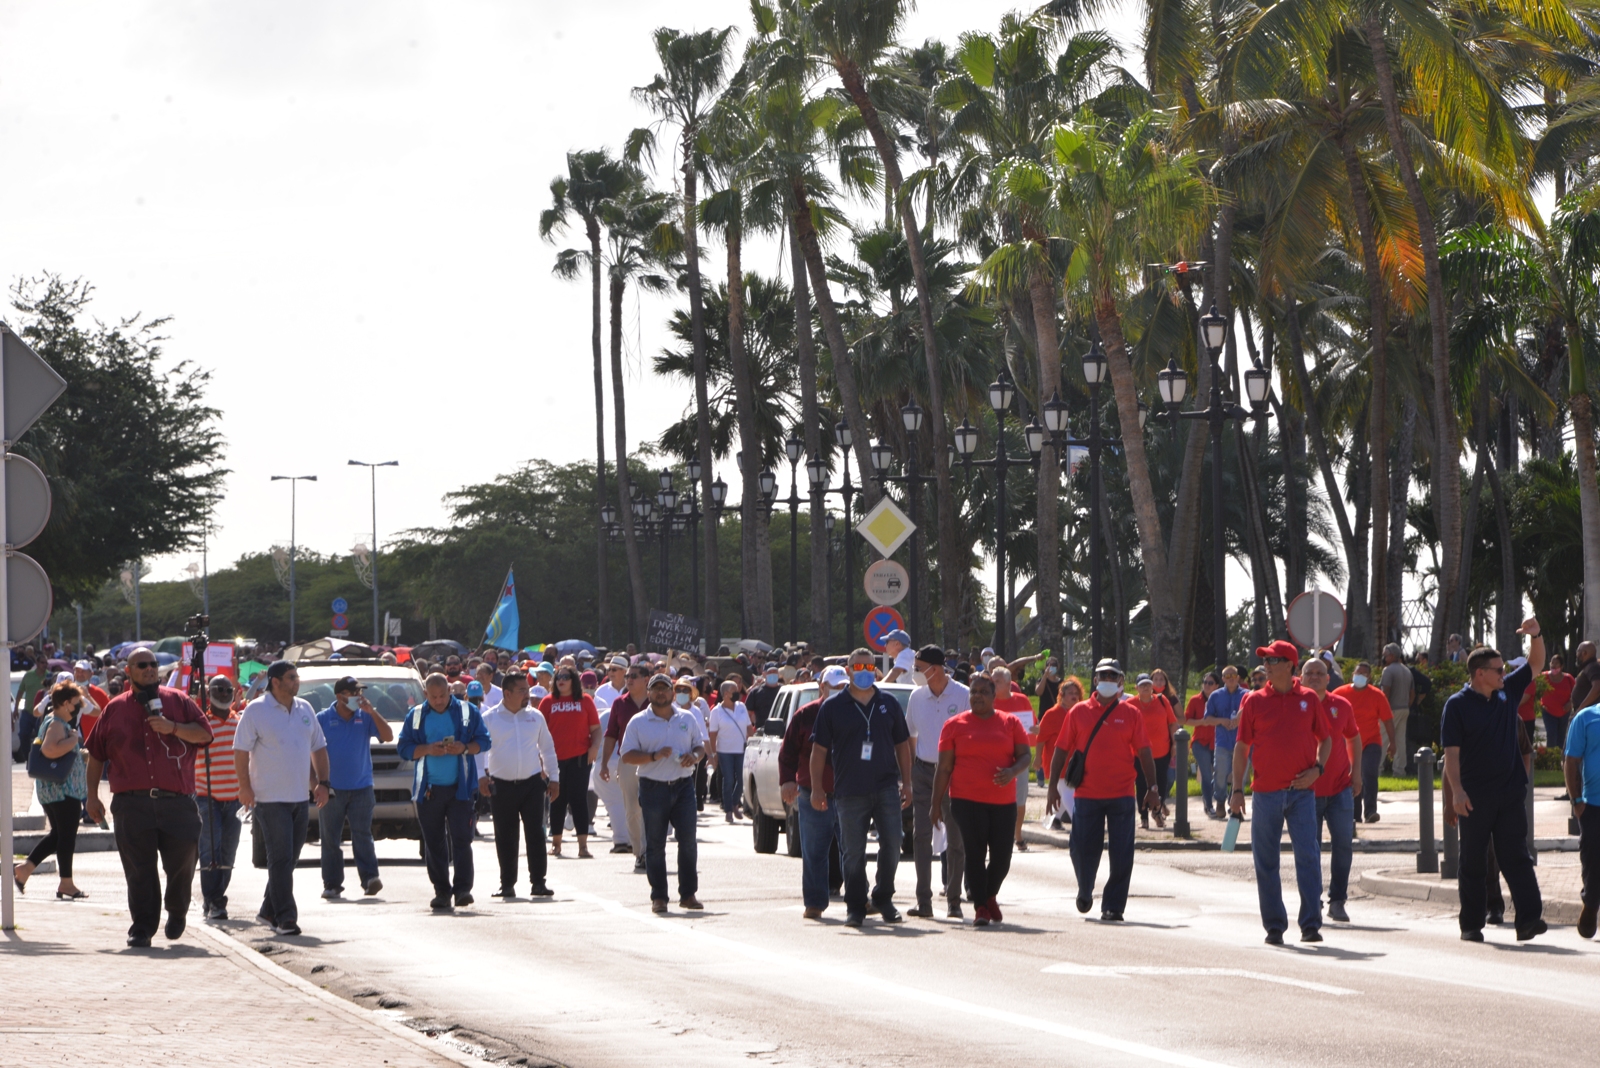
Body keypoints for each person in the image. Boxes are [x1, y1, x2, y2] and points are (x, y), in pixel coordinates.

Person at [85, 649, 211, 947]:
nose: (150, 669)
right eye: (143, 665)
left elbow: (204, 735)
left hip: (177, 801)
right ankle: (142, 927)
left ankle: (177, 910)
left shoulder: (178, 701)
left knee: (182, 863)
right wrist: (91, 796)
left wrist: (173, 727)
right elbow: (96, 756)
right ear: (128, 671)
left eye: (154, 664)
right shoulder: (114, 709)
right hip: (132, 803)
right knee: (139, 869)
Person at [1442, 621, 1547, 942]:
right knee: (1472, 861)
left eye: (1504, 670)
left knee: (1516, 856)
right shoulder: (1457, 706)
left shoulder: (1507, 692)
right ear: (1479, 674)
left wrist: (1536, 635)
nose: (1504, 674)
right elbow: (1451, 755)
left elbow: (1536, 664)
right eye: (1498, 670)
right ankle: (1471, 924)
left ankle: (1528, 920)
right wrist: (1456, 793)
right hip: (1474, 797)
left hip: (1509, 795)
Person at [1229, 640, 1333, 945]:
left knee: (1308, 857)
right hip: (1265, 793)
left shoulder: (1310, 700)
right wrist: (1236, 790)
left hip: (1302, 794)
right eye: (1265, 661)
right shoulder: (1254, 701)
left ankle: (1311, 924)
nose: (1266, 666)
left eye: (1272, 660)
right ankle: (1275, 926)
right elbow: (1241, 748)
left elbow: (1325, 740)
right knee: (1266, 860)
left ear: (1289, 665)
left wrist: (1318, 769)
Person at [1046, 659, 1162, 921]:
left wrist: (1152, 787)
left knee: (1122, 853)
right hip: (1086, 794)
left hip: (1122, 794)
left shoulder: (1132, 714)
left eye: (1113, 675)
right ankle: (1085, 888)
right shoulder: (1078, 712)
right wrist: (1052, 786)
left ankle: (1113, 906)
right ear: (1095, 680)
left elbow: (1144, 752)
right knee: (1081, 848)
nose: (1107, 679)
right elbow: (1061, 749)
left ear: (1120, 681)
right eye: (1102, 675)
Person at [810, 647, 913, 927]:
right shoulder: (832, 707)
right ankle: (856, 905)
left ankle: (883, 897)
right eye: (859, 667)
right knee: (852, 851)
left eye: (870, 668)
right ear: (849, 670)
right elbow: (819, 751)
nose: (865, 673)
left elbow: (902, 745)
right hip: (849, 791)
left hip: (886, 788)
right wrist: (818, 788)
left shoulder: (889, 703)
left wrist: (908, 782)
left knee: (893, 843)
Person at [235, 661, 331, 937]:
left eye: (297, 676)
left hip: (300, 798)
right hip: (269, 798)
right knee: (279, 858)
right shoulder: (256, 710)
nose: (296, 681)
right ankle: (285, 918)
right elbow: (240, 751)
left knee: (289, 859)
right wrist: (245, 787)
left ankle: (268, 909)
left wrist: (323, 783)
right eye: (291, 677)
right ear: (275, 681)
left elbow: (319, 748)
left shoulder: (305, 709)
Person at [931, 673, 1032, 927]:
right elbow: (943, 768)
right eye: (973, 692)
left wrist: (1012, 771)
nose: (977, 696)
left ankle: (988, 894)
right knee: (974, 854)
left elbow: (1025, 756)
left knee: (1002, 858)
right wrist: (935, 804)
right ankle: (980, 908)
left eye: (983, 692)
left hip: (1003, 802)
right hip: (966, 800)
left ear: (993, 696)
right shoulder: (954, 725)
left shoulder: (1010, 723)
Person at [397, 673, 493, 911]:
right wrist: (427, 749)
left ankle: (462, 890)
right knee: (434, 842)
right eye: (433, 697)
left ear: (450, 691)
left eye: (442, 696)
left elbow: (485, 741)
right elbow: (404, 748)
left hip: (460, 790)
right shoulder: (417, 714)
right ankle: (441, 891)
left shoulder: (467, 711)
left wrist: (465, 747)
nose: (438, 701)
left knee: (462, 839)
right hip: (428, 791)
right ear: (425, 694)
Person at [619, 673, 708, 914]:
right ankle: (659, 896)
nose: (661, 693)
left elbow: (699, 746)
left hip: (683, 786)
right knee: (656, 845)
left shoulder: (687, 718)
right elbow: (627, 755)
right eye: (656, 689)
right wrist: (652, 756)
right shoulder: (638, 722)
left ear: (672, 693)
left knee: (688, 842)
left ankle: (688, 894)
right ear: (648, 694)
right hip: (653, 787)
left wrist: (695, 756)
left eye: (665, 689)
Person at [904, 646, 970, 919]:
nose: (915, 673)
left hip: (955, 774)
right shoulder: (916, 697)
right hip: (923, 773)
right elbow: (910, 736)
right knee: (921, 836)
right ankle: (924, 902)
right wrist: (909, 774)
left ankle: (954, 900)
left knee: (956, 838)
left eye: (919, 667)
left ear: (937, 667)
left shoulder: (964, 695)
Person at [481, 670, 560, 898]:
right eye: (522, 690)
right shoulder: (490, 718)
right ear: (506, 693)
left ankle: (538, 882)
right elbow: (479, 752)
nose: (528, 694)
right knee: (505, 835)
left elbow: (547, 749)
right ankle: (507, 884)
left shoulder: (535, 717)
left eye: (527, 689)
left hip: (532, 784)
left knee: (535, 833)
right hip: (501, 785)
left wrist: (554, 778)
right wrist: (481, 776)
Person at [316, 676, 393, 900]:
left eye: (360, 692)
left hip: (361, 786)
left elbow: (387, 736)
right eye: (354, 693)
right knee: (330, 838)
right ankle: (332, 884)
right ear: (340, 696)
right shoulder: (322, 718)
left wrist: (373, 712)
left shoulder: (365, 716)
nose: (359, 697)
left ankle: (370, 878)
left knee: (362, 834)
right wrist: (317, 784)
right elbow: (311, 751)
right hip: (331, 789)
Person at [780, 666, 846, 920]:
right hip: (812, 792)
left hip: (849, 794)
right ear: (822, 687)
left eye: (843, 687)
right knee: (814, 850)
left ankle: (858, 900)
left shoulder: (856, 714)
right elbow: (787, 753)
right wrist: (787, 781)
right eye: (834, 687)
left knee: (852, 850)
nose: (839, 692)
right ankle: (815, 902)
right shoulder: (805, 715)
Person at [15, 682, 90, 899]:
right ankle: (66, 883)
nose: (79, 708)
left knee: (59, 834)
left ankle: (25, 869)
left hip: (54, 790)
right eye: (76, 704)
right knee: (66, 837)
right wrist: (73, 740)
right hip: (62, 791)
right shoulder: (57, 724)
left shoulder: (54, 722)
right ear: (66, 704)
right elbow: (49, 750)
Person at [1301, 657, 1360, 922]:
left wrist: (1356, 773)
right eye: (1309, 672)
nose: (1314, 676)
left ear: (1328, 678)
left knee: (1343, 846)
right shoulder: (1295, 705)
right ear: (1301, 678)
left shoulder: (1341, 705)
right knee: (1310, 848)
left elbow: (1354, 738)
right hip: (1307, 791)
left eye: (1319, 672)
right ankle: (1313, 901)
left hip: (1340, 789)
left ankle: (1338, 900)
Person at [539, 667, 602, 858]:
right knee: (557, 800)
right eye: (558, 677)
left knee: (579, 800)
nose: (561, 680)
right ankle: (556, 844)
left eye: (566, 677)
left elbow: (596, 730)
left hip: (580, 758)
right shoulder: (548, 701)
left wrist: (594, 747)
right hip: (554, 759)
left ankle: (583, 846)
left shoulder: (585, 700)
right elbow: (539, 732)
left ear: (574, 680)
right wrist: (540, 759)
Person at [195, 674, 243, 920]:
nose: (223, 694)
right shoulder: (201, 723)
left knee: (228, 853)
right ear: (209, 692)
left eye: (227, 690)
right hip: (206, 797)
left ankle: (214, 897)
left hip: (235, 799)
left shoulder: (242, 723)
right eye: (218, 689)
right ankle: (215, 900)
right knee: (209, 852)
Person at [600, 665, 651, 873]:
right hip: (628, 762)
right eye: (628, 676)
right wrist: (604, 763)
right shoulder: (619, 704)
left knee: (652, 809)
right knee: (632, 810)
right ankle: (640, 853)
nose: (629, 679)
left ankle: (651, 851)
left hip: (654, 762)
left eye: (634, 676)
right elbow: (611, 734)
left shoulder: (656, 701)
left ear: (646, 679)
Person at [1334, 662, 1394, 823]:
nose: (1360, 676)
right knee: (1353, 776)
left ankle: (1370, 811)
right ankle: (1354, 814)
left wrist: (1392, 743)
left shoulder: (1377, 695)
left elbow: (1388, 720)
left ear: (1369, 678)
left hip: (1371, 742)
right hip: (1348, 744)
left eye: (1364, 674)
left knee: (1369, 773)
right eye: (1358, 672)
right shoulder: (1340, 693)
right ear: (1353, 674)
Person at [1563, 693, 1600, 939]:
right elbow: (1571, 761)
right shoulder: (1586, 718)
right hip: (1593, 804)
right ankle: (1591, 902)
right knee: (1593, 859)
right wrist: (1576, 801)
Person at [989, 667, 1036, 850]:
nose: (993, 684)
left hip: (1019, 758)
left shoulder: (1022, 700)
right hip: (994, 758)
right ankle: (995, 836)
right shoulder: (988, 702)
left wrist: (1035, 730)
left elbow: (1033, 725)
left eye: (998, 681)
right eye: (992, 680)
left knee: (1020, 799)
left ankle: (1018, 835)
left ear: (1009, 684)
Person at [1199, 665, 1246, 818]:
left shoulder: (1247, 695)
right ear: (1223, 678)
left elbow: (1255, 713)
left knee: (1241, 775)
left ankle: (1235, 805)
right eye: (1227, 676)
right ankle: (1220, 800)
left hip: (1243, 742)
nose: (1231, 678)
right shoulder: (1215, 696)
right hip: (1222, 742)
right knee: (1220, 774)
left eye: (1234, 675)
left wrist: (1241, 719)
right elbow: (1207, 719)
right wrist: (1222, 721)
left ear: (1238, 677)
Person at [1132, 673, 1177, 830]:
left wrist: (1174, 744)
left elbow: (1172, 723)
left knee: (1161, 783)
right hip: (1139, 753)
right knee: (1142, 784)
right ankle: (1144, 817)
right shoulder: (1130, 704)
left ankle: (1157, 811)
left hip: (1162, 751)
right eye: (1142, 684)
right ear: (1136, 688)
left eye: (1148, 684)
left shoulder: (1162, 700)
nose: (1146, 687)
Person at [1037, 675, 1083, 829]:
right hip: (1057, 762)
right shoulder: (1052, 714)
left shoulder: (1080, 712)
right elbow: (1040, 738)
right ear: (1061, 695)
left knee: (1064, 794)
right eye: (1070, 692)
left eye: (1076, 692)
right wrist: (1037, 759)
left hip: (1075, 762)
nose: (1074, 695)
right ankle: (1081, 825)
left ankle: (1051, 821)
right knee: (1069, 795)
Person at [708, 681, 752, 823]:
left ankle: (734, 804)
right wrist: (713, 754)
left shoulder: (742, 707)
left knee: (741, 779)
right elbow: (712, 734)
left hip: (740, 750)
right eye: (734, 690)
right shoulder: (716, 711)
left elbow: (749, 727)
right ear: (726, 694)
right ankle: (728, 810)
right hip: (724, 751)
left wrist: (751, 743)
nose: (737, 692)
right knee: (729, 780)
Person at [1184, 672, 1220, 818]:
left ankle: (1219, 801)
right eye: (1205, 682)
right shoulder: (1195, 700)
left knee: (1219, 775)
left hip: (1218, 742)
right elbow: (1186, 720)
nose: (1207, 685)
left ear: (1217, 685)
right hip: (1200, 742)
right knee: (1206, 774)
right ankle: (1209, 805)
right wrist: (1202, 722)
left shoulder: (1221, 699)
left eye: (1210, 683)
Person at [1379, 644, 1413, 775]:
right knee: (1400, 741)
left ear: (1391, 655)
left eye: (1385, 655)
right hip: (1404, 709)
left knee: (1382, 739)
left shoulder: (1388, 671)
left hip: (1391, 709)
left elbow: (1385, 692)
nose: (1384, 657)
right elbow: (1413, 693)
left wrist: (1383, 710)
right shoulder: (1407, 670)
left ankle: (1377, 769)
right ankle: (1399, 770)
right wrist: (1406, 705)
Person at [1542, 654, 1574, 759]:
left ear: (1562, 666)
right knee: (1551, 735)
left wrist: (1570, 703)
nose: (1554, 665)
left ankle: (1560, 760)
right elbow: (1535, 692)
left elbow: (1575, 694)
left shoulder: (1568, 678)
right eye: (1552, 662)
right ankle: (1550, 759)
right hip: (1548, 712)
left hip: (1564, 712)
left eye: (1556, 663)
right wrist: (1540, 704)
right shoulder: (1543, 677)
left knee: (1562, 737)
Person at [1571, 641, 1600, 718]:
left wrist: (1580, 709)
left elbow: (1597, 687)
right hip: (1586, 713)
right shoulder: (1588, 667)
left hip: (1588, 714)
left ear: (1584, 653)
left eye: (1578, 651)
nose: (1576, 654)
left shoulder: (1592, 667)